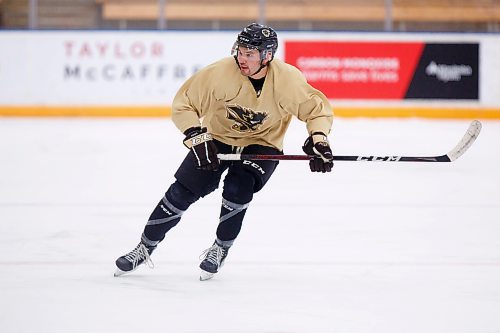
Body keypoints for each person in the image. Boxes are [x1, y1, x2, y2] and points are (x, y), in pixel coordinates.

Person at [114, 23, 334, 281]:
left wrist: (318, 139)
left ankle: (220, 248)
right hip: (217, 138)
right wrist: (196, 137)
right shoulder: (219, 73)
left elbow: (316, 110)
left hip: (262, 142)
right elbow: (184, 104)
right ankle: (144, 247)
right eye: (241, 51)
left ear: (267, 56)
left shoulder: (287, 79)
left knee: (238, 187)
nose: (242, 58)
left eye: (250, 54)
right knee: (182, 190)